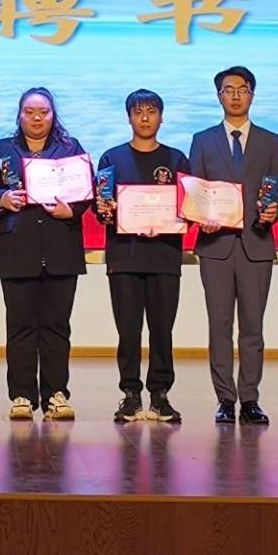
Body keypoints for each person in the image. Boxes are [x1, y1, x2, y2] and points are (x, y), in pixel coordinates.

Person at [0, 88, 91, 421]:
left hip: (61, 247)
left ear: (53, 114)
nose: (37, 118)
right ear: (20, 115)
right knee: (20, 327)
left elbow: (88, 191)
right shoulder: (3, 149)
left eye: (43, 111)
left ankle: (56, 394)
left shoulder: (70, 149)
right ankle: (22, 396)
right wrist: (1, 198)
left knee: (57, 327)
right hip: (18, 247)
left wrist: (72, 211)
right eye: (29, 112)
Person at [186, 66, 278, 426]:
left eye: (242, 89)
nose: (235, 96)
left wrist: (273, 210)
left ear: (252, 95)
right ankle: (225, 399)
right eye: (228, 90)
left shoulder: (270, 141)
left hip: (256, 244)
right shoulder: (202, 140)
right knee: (219, 325)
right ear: (219, 96)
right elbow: (194, 191)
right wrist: (201, 216)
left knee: (253, 327)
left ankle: (250, 398)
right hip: (216, 245)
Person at [94, 89, 190, 424]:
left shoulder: (177, 160)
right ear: (129, 118)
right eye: (138, 112)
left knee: (163, 329)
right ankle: (131, 395)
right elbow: (100, 209)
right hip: (125, 257)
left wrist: (170, 220)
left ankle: (160, 395)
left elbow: (188, 208)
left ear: (162, 117)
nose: (145, 118)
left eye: (151, 111)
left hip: (164, 257)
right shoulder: (111, 158)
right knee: (128, 330)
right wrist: (106, 209)